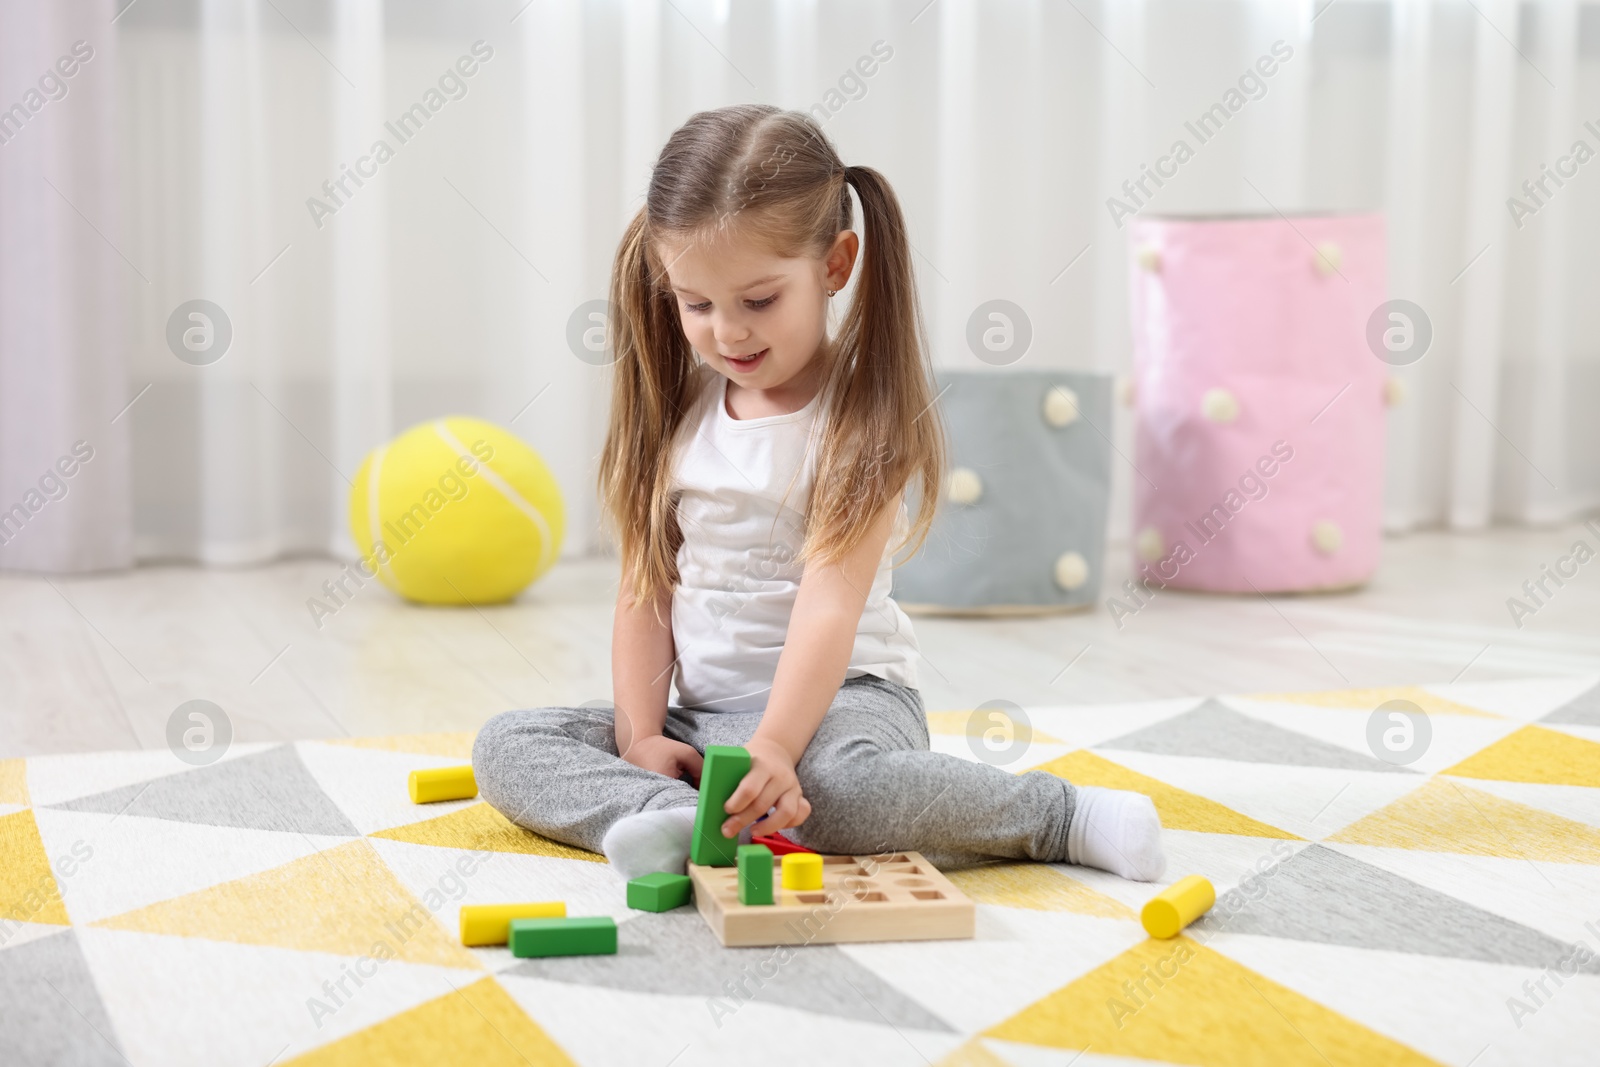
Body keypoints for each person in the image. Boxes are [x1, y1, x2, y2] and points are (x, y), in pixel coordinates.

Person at [473, 104, 1166, 883]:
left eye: (758, 300)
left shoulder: (861, 417)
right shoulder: (680, 414)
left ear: (835, 266)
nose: (727, 332)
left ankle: (1057, 816)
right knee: (506, 742)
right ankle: (658, 815)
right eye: (696, 304)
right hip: (703, 721)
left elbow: (828, 606)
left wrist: (776, 747)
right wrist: (639, 739)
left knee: (834, 794)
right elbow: (647, 593)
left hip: (843, 709)